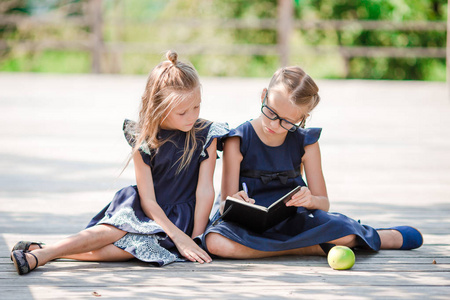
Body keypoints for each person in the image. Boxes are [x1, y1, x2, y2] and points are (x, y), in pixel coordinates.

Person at [10, 51, 229, 275]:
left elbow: (205, 191)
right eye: (182, 112)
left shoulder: (205, 134)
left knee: (127, 251)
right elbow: (149, 201)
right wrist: (177, 237)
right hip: (145, 207)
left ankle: (45, 250)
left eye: (197, 107)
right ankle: (40, 256)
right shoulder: (143, 138)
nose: (192, 116)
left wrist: (195, 238)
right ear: (158, 108)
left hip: (182, 216)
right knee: (114, 232)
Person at [204, 66, 423, 259]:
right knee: (215, 242)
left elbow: (323, 203)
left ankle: (282, 248)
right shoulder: (237, 139)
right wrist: (237, 201)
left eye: (287, 122)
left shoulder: (306, 142)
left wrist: (310, 200)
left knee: (344, 230)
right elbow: (225, 204)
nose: (274, 125)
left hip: (291, 221)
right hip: (246, 225)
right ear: (264, 96)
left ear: (302, 119)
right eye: (270, 112)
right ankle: (312, 248)